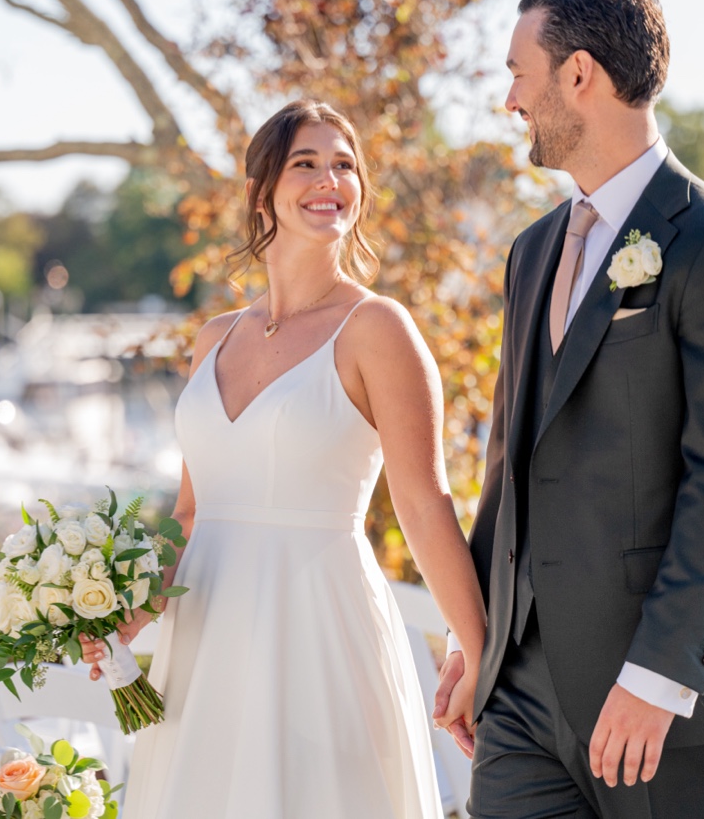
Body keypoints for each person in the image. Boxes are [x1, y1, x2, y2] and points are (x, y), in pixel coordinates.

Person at [431, 0, 704, 815]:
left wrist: (660, 675)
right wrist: (479, 638)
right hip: (523, 698)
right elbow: (512, 463)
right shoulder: (532, 252)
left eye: (518, 76)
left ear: (579, 74)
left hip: (661, 704)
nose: (510, 102)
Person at [82, 99, 489, 818]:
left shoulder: (377, 329)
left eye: (344, 164)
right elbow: (191, 510)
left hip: (318, 631)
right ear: (258, 189)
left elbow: (426, 505)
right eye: (306, 163)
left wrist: (478, 651)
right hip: (205, 641)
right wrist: (130, 608)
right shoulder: (212, 339)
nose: (329, 178)